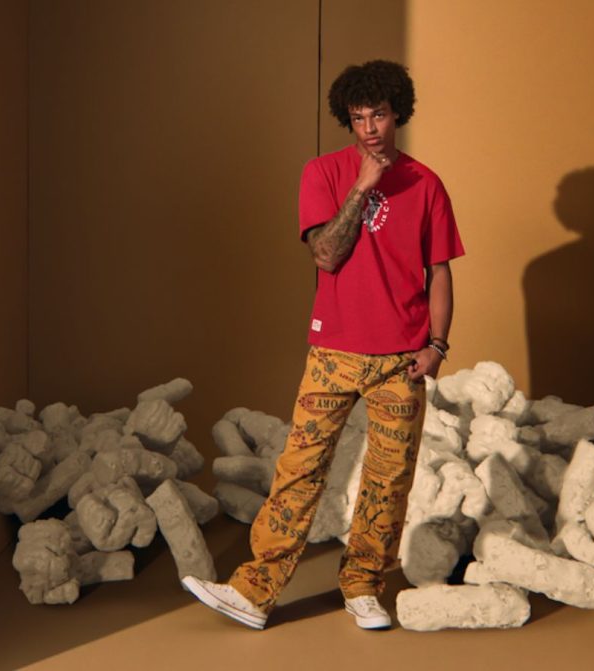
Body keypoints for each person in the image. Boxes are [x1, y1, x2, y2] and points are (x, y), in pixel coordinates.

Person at [182, 59, 464, 630]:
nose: (369, 129)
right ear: (347, 120)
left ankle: (363, 588)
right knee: (299, 470)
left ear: (397, 114)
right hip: (333, 352)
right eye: (358, 118)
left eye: (378, 115)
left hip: (401, 361)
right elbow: (327, 255)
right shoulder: (323, 173)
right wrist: (364, 184)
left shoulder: (427, 184)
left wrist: (438, 346)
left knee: (389, 482)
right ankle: (254, 592)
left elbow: (439, 271)